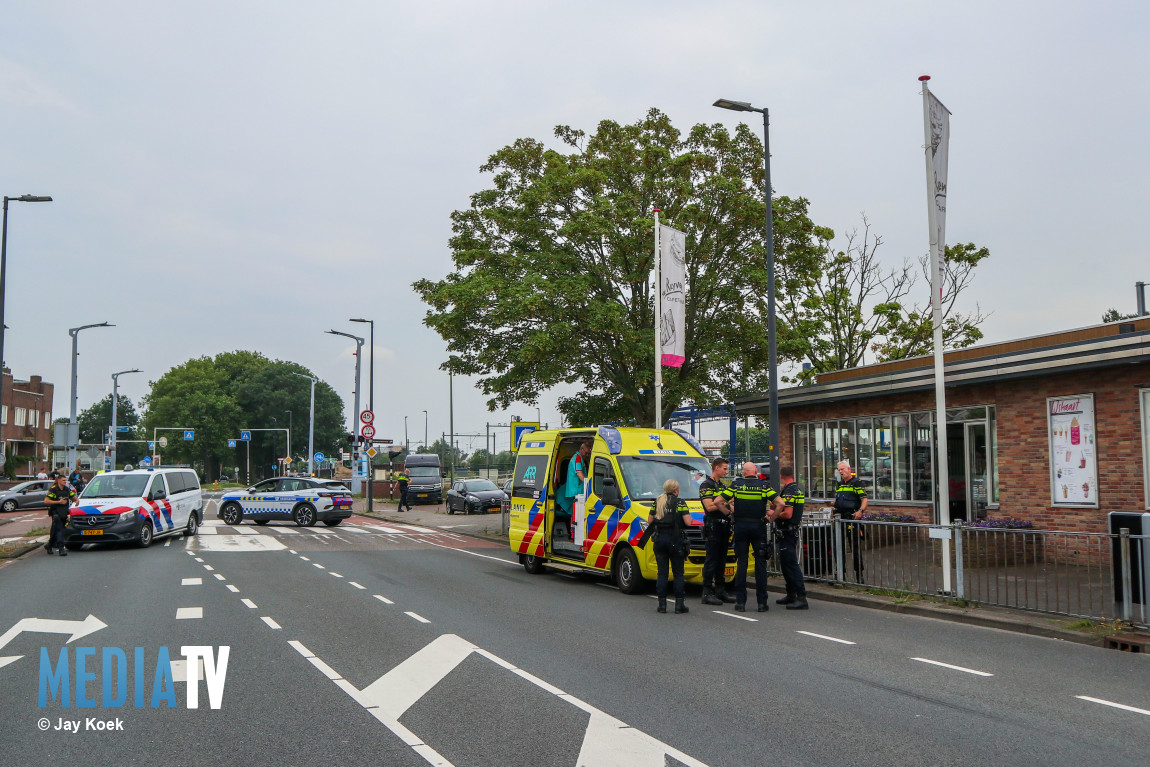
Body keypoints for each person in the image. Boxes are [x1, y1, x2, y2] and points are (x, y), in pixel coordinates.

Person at [726, 461, 783, 612]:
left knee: (742, 563)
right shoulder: (764, 486)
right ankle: (762, 603)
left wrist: (730, 513)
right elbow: (781, 503)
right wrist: (771, 519)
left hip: (741, 527)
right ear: (756, 472)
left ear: (744, 472)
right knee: (761, 565)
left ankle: (740, 603)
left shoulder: (736, 485)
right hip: (758, 527)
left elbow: (718, 501)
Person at [647, 479, 692, 614]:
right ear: (676, 490)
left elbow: (650, 520)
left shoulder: (658, 502)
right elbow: (688, 522)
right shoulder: (680, 503)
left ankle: (662, 605)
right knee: (678, 573)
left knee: (662, 573)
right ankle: (679, 605)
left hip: (660, 541)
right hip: (675, 541)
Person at [699, 457, 736, 606]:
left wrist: (732, 507)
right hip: (713, 526)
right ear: (716, 468)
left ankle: (720, 590)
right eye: (724, 468)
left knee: (722, 560)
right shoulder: (706, 485)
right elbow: (709, 507)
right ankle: (707, 592)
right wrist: (727, 501)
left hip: (724, 526)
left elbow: (728, 507)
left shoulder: (722, 486)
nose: (726, 471)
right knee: (711, 560)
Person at [772, 464, 808, 610]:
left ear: (781, 476)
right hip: (789, 531)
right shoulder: (797, 489)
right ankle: (791, 594)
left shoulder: (789, 491)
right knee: (786, 564)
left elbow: (788, 514)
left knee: (791, 564)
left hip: (787, 531)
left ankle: (801, 597)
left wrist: (772, 514)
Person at [832, 460, 868, 582]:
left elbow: (864, 499)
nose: (841, 472)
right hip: (839, 518)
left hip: (852, 518)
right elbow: (839, 501)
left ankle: (859, 575)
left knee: (855, 547)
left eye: (842, 469)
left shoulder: (856, 483)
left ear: (849, 469)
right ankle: (841, 574)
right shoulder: (840, 484)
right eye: (839, 470)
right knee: (838, 546)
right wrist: (832, 504)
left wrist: (860, 511)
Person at [556, 440, 591, 542]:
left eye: (588, 453)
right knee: (576, 515)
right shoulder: (578, 458)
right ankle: (573, 536)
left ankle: (573, 536)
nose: (587, 455)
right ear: (581, 450)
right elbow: (579, 474)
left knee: (574, 514)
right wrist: (588, 484)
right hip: (577, 490)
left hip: (576, 490)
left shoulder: (578, 458)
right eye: (586, 452)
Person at [44, 475, 76, 557]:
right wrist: (58, 502)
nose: (65, 482)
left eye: (65, 480)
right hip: (56, 513)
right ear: (58, 480)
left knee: (55, 531)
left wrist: (77, 501)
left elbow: (73, 497)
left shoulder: (67, 489)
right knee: (59, 530)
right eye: (63, 480)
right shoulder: (54, 490)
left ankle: (49, 545)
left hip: (64, 513)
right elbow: (46, 501)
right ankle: (61, 548)